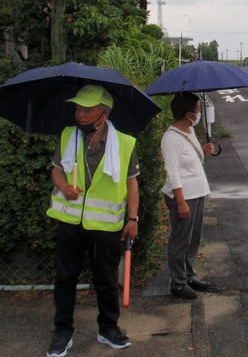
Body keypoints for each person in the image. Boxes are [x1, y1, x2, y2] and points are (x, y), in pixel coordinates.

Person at [46, 85, 140, 356]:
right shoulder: (67, 136)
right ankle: (62, 331)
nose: (80, 114)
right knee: (65, 278)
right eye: (77, 108)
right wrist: (64, 188)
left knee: (106, 280)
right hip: (70, 223)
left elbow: (132, 186)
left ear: (105, 112)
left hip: (105, 226)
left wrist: (132, 219)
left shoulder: (124, 143)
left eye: (87, 109)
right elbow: (56, 172)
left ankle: (108, 327)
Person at [161, 92, 216, 300]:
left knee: (193, 239)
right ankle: (177, 282)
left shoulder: (189, 131)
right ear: (188, 114)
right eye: (197, 110)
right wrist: (181, 202)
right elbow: (173, 173)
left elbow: (190, 160)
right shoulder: (170, 138)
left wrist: (203, 151)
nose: (199, 113)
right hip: (183, 196)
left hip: (198, 192)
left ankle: (188, 275)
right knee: (180, 240)